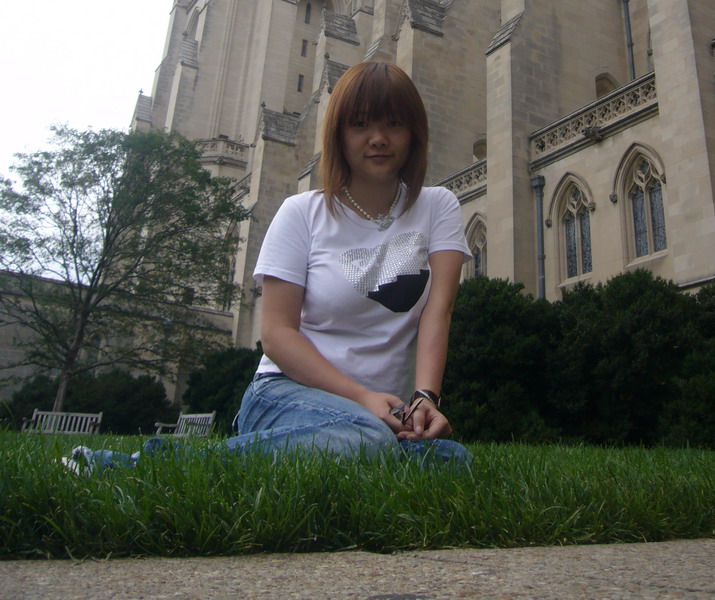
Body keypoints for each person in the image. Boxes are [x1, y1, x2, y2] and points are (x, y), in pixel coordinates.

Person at [63, 62, 471, 473]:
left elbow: (438, 312)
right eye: (360, 124)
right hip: (287, 391)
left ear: (413, 133)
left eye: (394, 124)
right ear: (339, 134)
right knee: (363, 438)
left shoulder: (438, 207)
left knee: (451, 462)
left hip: (388, 410)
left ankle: (330, 449)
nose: (378, 138)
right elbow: (277, 335)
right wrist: (362, 398)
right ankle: (140, 467)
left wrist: (425, 399)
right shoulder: (302, 212)